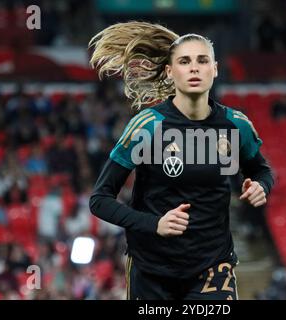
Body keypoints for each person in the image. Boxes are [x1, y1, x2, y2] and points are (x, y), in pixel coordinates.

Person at [88, 21, 274, 300]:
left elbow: (261, 171)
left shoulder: (235, 125)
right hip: (151, 271)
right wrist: (154, 224)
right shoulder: (148, 127)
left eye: (202, 60)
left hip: (213, 266)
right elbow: (100, 199)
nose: (195, 68)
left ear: (215, 69)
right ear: (169, 72)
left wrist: (261, 186)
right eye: (185, 61)